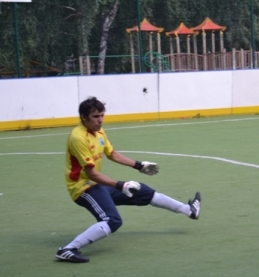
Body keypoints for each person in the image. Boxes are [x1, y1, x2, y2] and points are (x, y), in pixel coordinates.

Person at [56, 97, 201, 263]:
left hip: (97, 184)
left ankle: (189, 210)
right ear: (83, 117)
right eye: (96, 116)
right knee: (112, 220)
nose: (100, 120)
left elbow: (112, 154)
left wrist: (139, 165)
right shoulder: (78, 137)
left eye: (102, 115)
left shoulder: (99, 132)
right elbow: (91, 174)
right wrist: (120, 185)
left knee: (142, 191)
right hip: (82, 188)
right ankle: (67, 249)